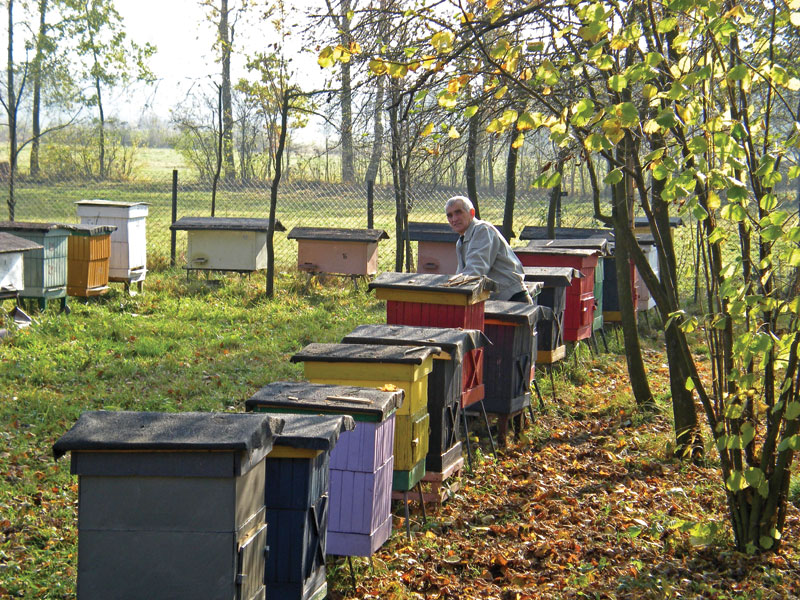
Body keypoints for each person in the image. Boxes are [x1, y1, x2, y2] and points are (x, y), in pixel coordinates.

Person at [445, 195, 531, 303]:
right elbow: (462, 274)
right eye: (450, 215)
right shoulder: (461, 241)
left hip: (512, 299)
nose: (454, 219)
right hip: (495, 300)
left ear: (472, 213)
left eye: (458, 212)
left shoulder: (482, 230)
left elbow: (474, 272)